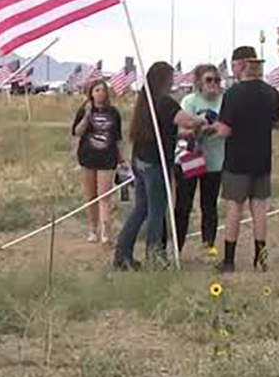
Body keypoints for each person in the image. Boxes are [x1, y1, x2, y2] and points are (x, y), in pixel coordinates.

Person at [113, 62, 206, 270]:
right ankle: (155, 256)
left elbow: (165, 130)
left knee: (140, 209)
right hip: (155, 163)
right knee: (156, 211)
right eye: (171, 77)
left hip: (140, 160)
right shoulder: (165, 102)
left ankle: (122, 254)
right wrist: (202, 119)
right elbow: (187, 121)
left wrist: (183, 134)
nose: (174, 81)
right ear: (164, 79)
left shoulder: (146, 101)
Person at [211, 46, 279, 274]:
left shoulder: (233, 94)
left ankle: (229, 261)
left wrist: (210, 128)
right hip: (262, 159)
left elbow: (224, 130)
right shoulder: (272, 92)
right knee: (260, 209)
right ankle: (261, 259)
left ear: (242, 66)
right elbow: (277, 123)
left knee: (234, 209)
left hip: (236, 161)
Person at [174, 64, 225, 260]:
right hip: (191, 157)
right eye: (209, 80)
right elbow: (182, 129)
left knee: (209, 204)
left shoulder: (225, 101)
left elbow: (228, 126)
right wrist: (200, 128)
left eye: (217, 80)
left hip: (215, 160)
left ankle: (208, 245)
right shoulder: (190, 101)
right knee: (184, 205)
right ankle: (177, 248)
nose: (214, 84)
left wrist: (215, 128)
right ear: (199, 83)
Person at [71, 79, 123, 244]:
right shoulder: (84, 110)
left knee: (104, 196)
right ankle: (92, 229)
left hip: (107, 158)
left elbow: (118, 138)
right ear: (91, 93)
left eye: (103, 90)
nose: (100, 93)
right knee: (90, 196)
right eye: (97, 90)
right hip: (88, 157)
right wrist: (87, 115)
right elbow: (77, 132)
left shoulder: (113, 112)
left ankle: (106, 231)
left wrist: (122, 158)